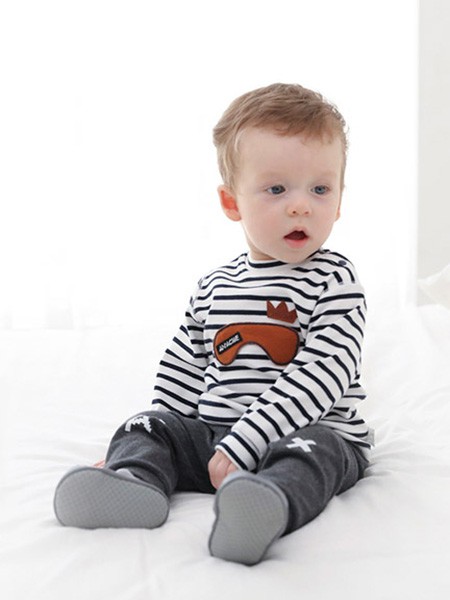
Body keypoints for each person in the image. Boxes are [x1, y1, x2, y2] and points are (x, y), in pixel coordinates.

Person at [54, 82, 373, 566]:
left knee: (318, 453)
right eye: (277, 189)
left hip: (306, 431)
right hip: (217, 440)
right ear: (232, 203)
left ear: (340, 201)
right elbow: (185, 367)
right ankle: (136, 481)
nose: (301, 205)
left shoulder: (335, 280)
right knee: (148, 425)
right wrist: (156, 437)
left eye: (320, 189)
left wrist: (251, 438)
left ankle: (268, 505)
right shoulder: (213, 286)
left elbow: (323, 374)